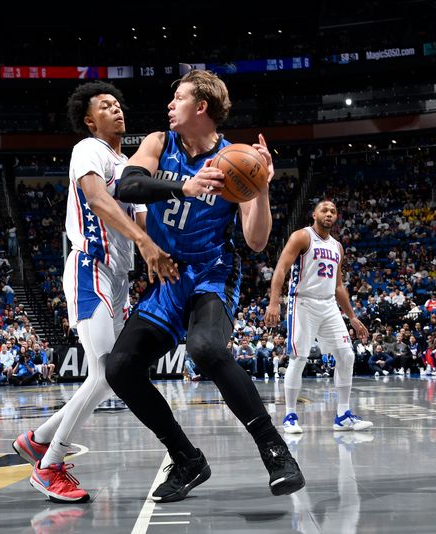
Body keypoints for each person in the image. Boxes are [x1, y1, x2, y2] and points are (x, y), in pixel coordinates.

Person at [104, 69, 304, 503]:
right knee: (119, 369)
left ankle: (276, 452)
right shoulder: (160, 142)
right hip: (167, 276)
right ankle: (187, 458)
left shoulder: (237, 160)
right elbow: (126, 184)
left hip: (212, 271)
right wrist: (184, 186)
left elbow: (255, 241)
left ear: (202, 107)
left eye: (178, 98)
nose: (170, 105)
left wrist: (263, 189)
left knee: (206, 348)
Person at [12, 81, 179, 503]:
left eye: (119, 103)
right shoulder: (88, 149)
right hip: (91, 268)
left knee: (112, 376)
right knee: (106, 372)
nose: (117, 109)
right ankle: (48, 466)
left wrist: (155, 254)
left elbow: (141, 223)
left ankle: (39, 438)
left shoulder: (129, 164)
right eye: (106, 105)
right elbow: (98, 199)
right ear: (90, 120)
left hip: (120, 278)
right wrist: (143, 245)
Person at [264, 200, 371, 434]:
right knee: (299, 357)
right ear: (314, 214)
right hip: (303, 302)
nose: (329, 214)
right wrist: (274, 302)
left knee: (346, 355)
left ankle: (343, 414)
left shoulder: (337, 247)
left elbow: (339, 286)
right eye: (325, 210)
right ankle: (290, 415)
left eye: (333, 211)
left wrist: (352, 317)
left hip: (329, 305)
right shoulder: (302, 237)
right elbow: (281, 268)